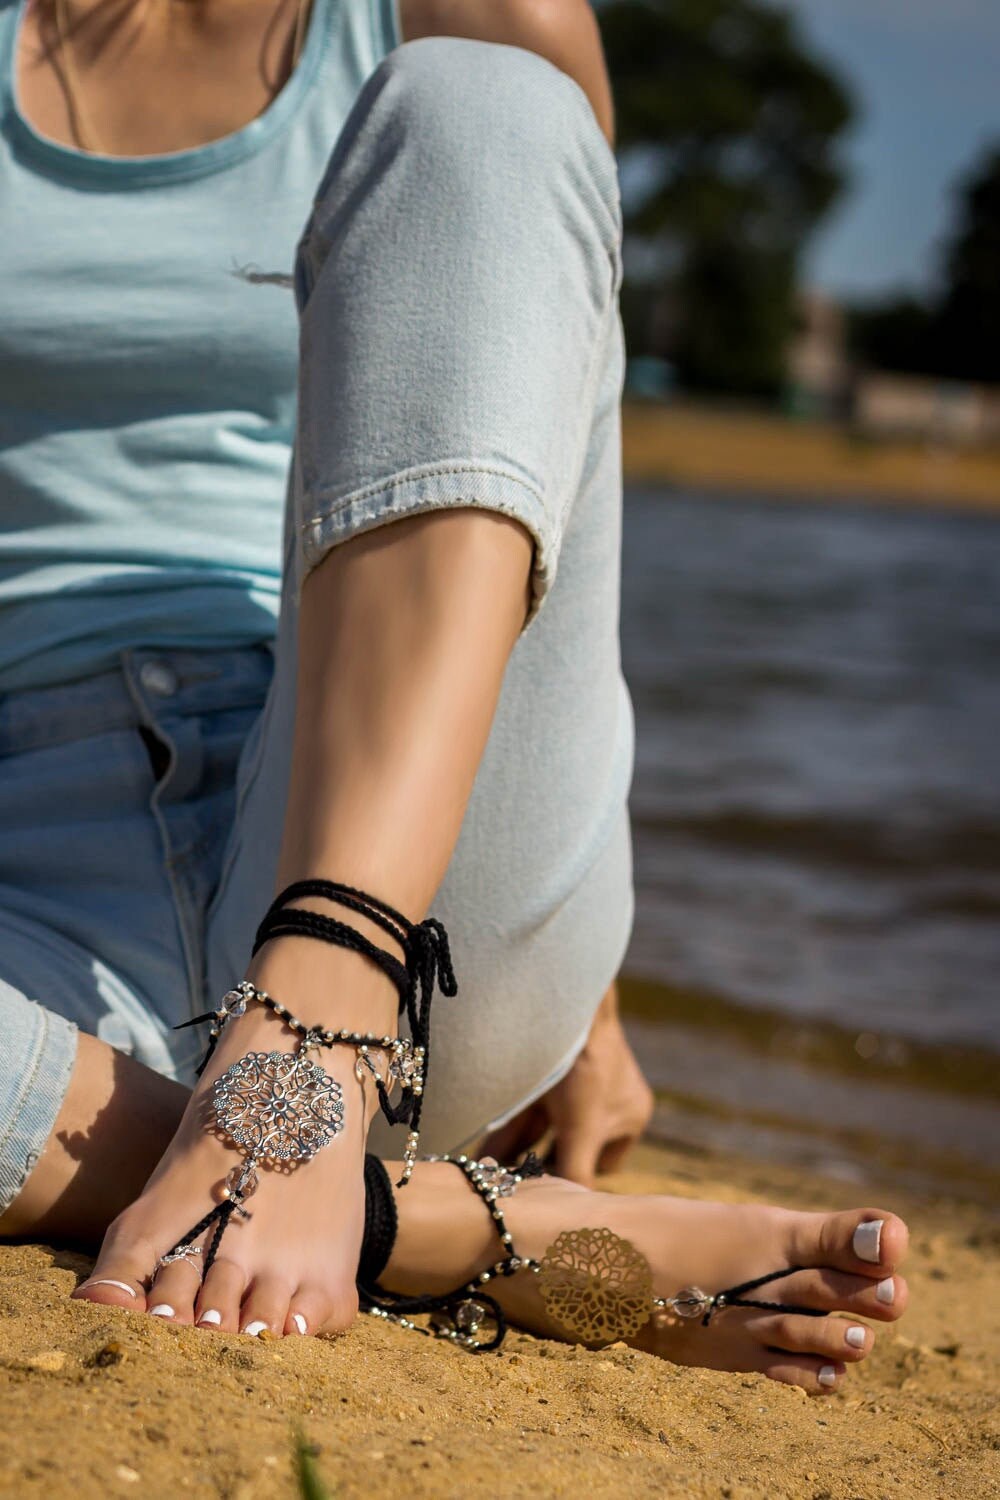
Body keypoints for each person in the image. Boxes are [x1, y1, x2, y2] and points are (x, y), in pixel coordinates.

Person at [0, 0, 908, 1392]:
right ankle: (441, 1220)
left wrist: (587, 1016)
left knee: (490, 106)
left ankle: (319, 1011)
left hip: (405, 876)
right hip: (32, 925)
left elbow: (532, 434)